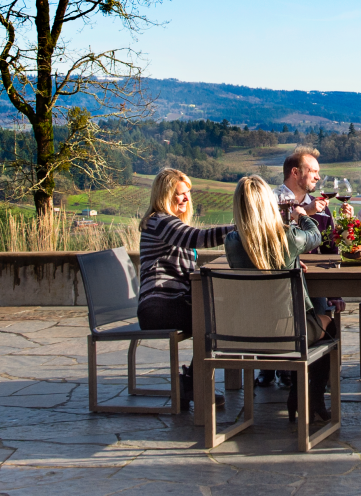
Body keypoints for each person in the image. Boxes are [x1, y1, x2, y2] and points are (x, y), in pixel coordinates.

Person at [225, 175, 332, 423]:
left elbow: (254, 261)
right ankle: (310, 397)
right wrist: (301, 216)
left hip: (246, 331)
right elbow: (314, 235)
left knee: (312, 324)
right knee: (328, 323)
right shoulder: (289, 237)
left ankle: (294, 390)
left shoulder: (232, 242)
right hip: (289, 331)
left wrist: (291, 262)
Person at [137, 168, 236, 411]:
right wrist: (242, 228)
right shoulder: (159, 221)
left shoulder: (169, 224)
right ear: (163, 196)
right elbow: (199, 238)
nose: (186, 199)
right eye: (179, 194)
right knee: (219, 318)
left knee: (222, 314)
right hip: (158, 307)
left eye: (187, 193)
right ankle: (194, 383)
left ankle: (190, 382)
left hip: (172, 302)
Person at [265, 147, 347, 387]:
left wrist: (335, 291)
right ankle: (276, 367)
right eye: (313, 171)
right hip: (276, 280)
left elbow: (330, 249)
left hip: (313, 281)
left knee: (321, 308)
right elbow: (269, 238)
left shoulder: (322, 207)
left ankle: (316, 379)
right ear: (295, 172)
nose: (318, 177)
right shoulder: (270, 203)